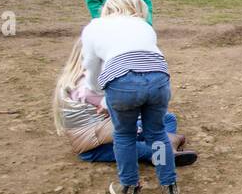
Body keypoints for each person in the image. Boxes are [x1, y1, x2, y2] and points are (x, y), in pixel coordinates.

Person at [80, 0, 179, 194]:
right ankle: (169, 186)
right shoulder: (144, 26)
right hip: (159, 78)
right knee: (157, 134)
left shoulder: (94, 27)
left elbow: (90, 65)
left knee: (124, 135)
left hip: (122, 82)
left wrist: (95, 90)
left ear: (108, 6)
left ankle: (129, 187)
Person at [53, 38, 197, 167]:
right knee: (145, 143)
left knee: (167, 118)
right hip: (96, 146)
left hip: (109, 131)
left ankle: (165, 144)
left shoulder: (87, 78)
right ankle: (162, 150)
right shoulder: (82, 86)